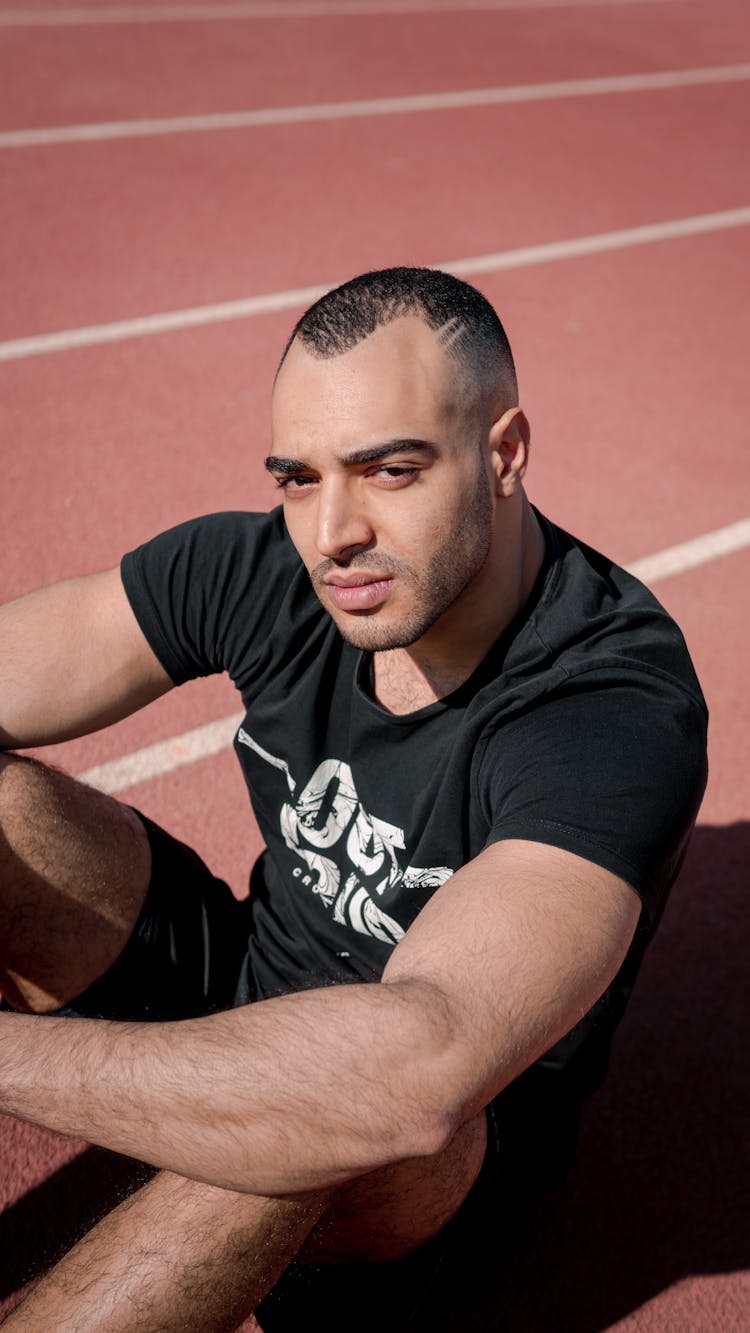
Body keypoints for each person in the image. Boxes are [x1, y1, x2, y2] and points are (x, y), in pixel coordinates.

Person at [0, 268, 707, 1331]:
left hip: (432, 1152)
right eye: (299, 477)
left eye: (388, 470)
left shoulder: (609, 705)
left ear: (504, 452)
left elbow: (422, 1068)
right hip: (249, 983)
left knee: (309, 1117)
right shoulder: (265, 568)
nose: (332, 532)